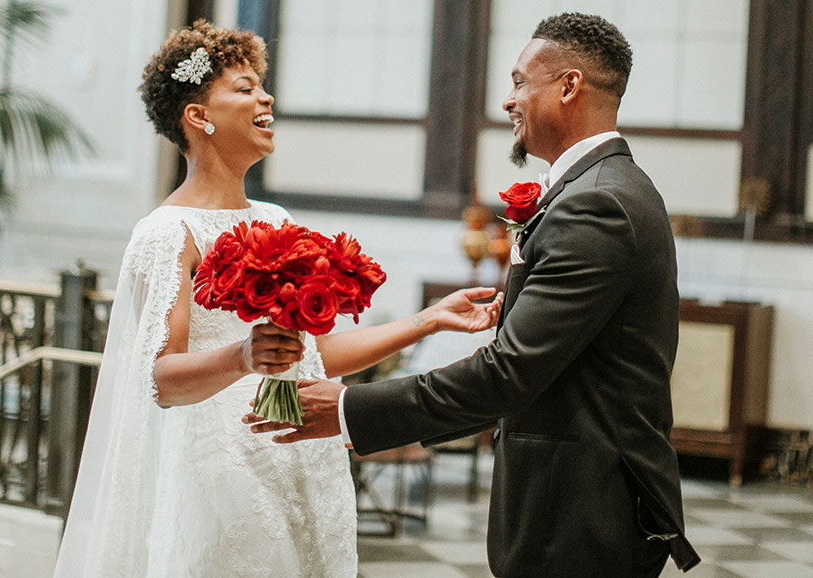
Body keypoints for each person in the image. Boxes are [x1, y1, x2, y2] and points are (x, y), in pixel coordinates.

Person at [248, 12, 702, 578]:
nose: (509, 101)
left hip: (582, 512)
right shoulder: (600, 189)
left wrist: (344, 410)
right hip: (578, 500)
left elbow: (508, 374)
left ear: (568, 86)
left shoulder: (597, 204)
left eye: (518, 82)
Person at [53, 20, 503, 578]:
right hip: (221, 469)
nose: (265, 97)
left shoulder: (274, 220)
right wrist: (242, 357)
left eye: (261, 86)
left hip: (300, 453)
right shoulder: (168, 232)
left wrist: (429, 321)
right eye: (244, 88)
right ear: (199, 117)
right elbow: (159, 379)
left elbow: (313, 357)